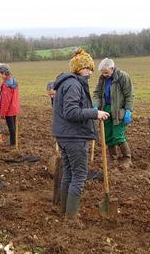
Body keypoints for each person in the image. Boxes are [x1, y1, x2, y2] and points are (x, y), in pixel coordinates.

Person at [52, 48, 110, 226]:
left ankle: (65, 211)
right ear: (79, 68)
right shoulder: (73, 84)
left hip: (65, 135)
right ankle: (71, 218)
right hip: (74, 136)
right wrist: (95, 113)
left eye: (92, 69)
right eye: (88, 68)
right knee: (79, 175)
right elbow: (71, 112)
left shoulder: (67, 83)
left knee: (69, 172)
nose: (91, 72)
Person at [92, 58, 134, 169]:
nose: (104, 74)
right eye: (102, 72)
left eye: (106, 72)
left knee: (118, 135)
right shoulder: (102, 79)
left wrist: (128, 111)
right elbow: (97, 93)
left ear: (112, 68)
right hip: (105, 110)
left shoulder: (123, 77)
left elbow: (129, 95)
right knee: (108, 136)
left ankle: (127, 158)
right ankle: (113, 158)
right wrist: (95, 105)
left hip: (119, 111)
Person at [0, 63, 20, 146]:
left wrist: (3, 113)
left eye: (0, 74)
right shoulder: (13, 80)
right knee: (13, 126)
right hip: (14, 107)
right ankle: (15, 142)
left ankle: (12, 144)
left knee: (11, 127)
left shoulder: (6, 85)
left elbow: (6, 101)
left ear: (3, 73)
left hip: (9, 109)